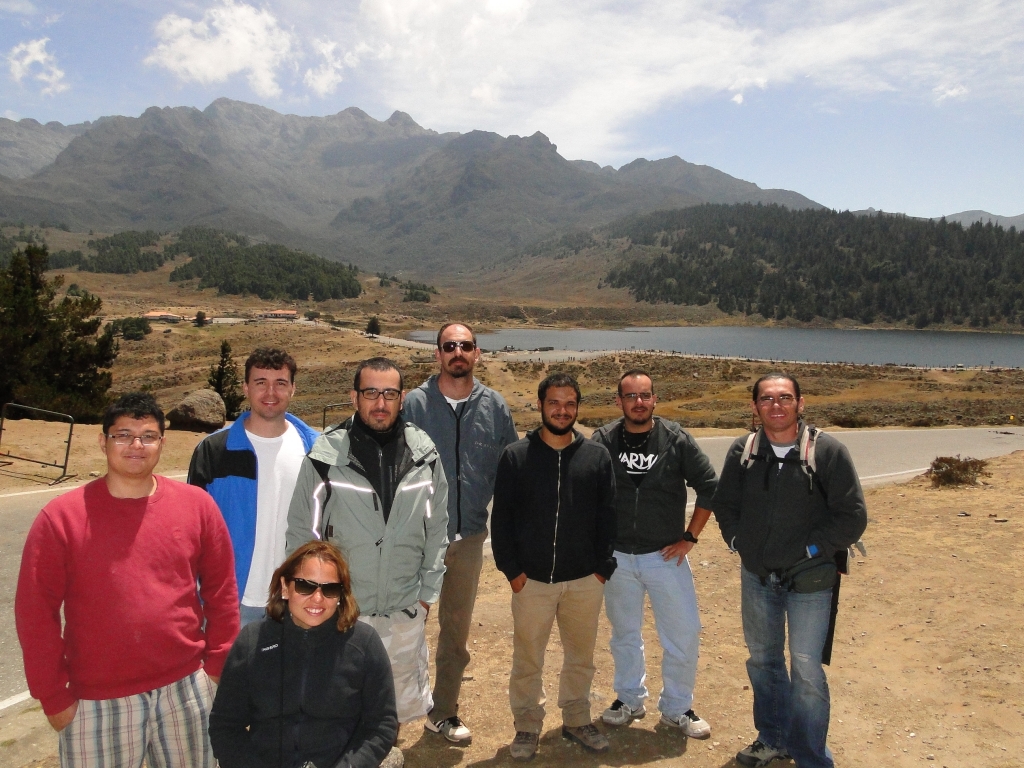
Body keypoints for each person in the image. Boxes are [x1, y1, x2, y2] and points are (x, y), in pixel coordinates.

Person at [16, 392, 239, 768]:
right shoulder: (60, 519)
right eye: (123, 435)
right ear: (103, 441)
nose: (136, 445)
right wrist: (54, 698)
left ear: (162, 444)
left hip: (186, 691)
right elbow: (35, 614)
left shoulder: (197, 505)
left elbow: (221, 590)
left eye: (148, 435)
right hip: (95, 704)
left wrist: (216, 667)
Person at [711, 373, 867, 768]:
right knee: (763, 660)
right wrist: (737, 542)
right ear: (754, 406)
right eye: (766, 399)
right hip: (758, 576)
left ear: (800, 403)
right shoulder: (743, 452)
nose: (775, 406)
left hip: (811, 580)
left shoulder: (827, 452)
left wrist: (813, 549)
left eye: (784, 398)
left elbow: (852, 517)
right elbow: (725, 505)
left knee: (806, 669)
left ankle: (811, 756)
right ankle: (773, 738)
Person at [286, 357, 449, 726]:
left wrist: (427, 593)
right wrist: (311, 595)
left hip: (404, 607)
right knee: (339, 709)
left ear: (402, 397)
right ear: (354, 397)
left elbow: (438, 527)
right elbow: (302, 535)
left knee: (394, 711)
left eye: (389, 393)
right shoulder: (325, 458)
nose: (380, 402)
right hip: (342, 611)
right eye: (371, 392)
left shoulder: (425, 455)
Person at [401, 322, 519, 743]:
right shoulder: (412, 404)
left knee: (455, 632)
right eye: (449, 346)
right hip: (413, 538)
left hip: (468, 539)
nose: (457, 352)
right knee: (401, 627)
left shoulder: (495, 407)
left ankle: (443, 711)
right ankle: (389, 716)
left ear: (477, 352)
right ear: (437, 354)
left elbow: (511, 474)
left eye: (465, 346)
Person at [491, 372, 617, 761]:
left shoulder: (596, 457)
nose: (562, 411)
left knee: (581, 656)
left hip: (584, 581)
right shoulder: (516, 456)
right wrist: (513, 572)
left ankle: (577, 718)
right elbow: (502, 521)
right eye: (554, 403)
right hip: (532, 582)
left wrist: (602, 569)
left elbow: (608, 517)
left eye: (569, 404)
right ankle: (527, 726)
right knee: (528, 657)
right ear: (541, 405)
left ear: (577, 407)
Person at [591, 369, 718, 737]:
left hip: (666, 557)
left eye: (645, 395)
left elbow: (710, 487)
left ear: (654, 399)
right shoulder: (603, 440)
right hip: (618, 559)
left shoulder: (675, 439)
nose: (638, 402)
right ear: (619, 401)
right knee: (624, 633)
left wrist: (689, 538)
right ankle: (629, 699)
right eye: (630, 396)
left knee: (683, 633)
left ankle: (677, 708)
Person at [209, 540, 401, 768]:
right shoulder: (253, 641)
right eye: (305, 586)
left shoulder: (364, 644)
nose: (317, 598)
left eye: (329, 589)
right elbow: (226, 725)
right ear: (285, 587)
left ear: (340, 594)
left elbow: (382, 724)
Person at [189, 347, 319, 625]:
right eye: (261, 383)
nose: (270, 393)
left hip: (298, 602)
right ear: (246, 387)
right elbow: (191, 535)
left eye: (280, 383)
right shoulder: (213, 450)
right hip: (230, 605)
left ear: (293, 389)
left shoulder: (317, 450)